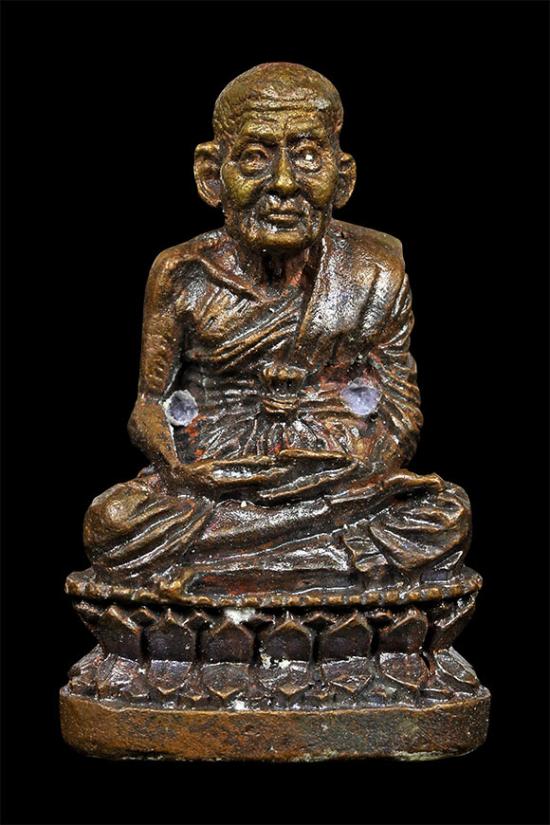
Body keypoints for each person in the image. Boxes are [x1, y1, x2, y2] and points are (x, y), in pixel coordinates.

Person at [82, 63, 471, 596]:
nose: (284, 183)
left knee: (444, 515)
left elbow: (400, 413)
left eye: (308, 156)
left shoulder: (376, 270)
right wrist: (184, 471)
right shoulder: (181, 275)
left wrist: (346, 473)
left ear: (343, 176)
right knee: (113, 523)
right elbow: (149, 406)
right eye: (255, 157)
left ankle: (228, 571)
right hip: (217, 482)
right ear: (211, 175)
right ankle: (318, 565)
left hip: (334, 482)